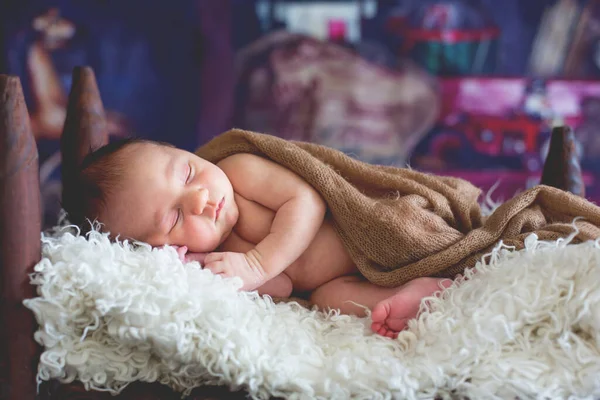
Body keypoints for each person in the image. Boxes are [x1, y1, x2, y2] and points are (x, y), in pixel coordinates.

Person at [64, 137, 452, 338]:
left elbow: (307, 200)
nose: (199, 198)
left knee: (397, 227)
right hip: (344, 278)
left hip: (365, 231)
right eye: (175, 216)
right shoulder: (223, 253)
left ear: (186, 151)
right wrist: (218, 273)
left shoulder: (238, 171)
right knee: (324, 300)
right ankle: (408, 293)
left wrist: (255, 264)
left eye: (186, 174)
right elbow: (284, 286)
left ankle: (415, 265)